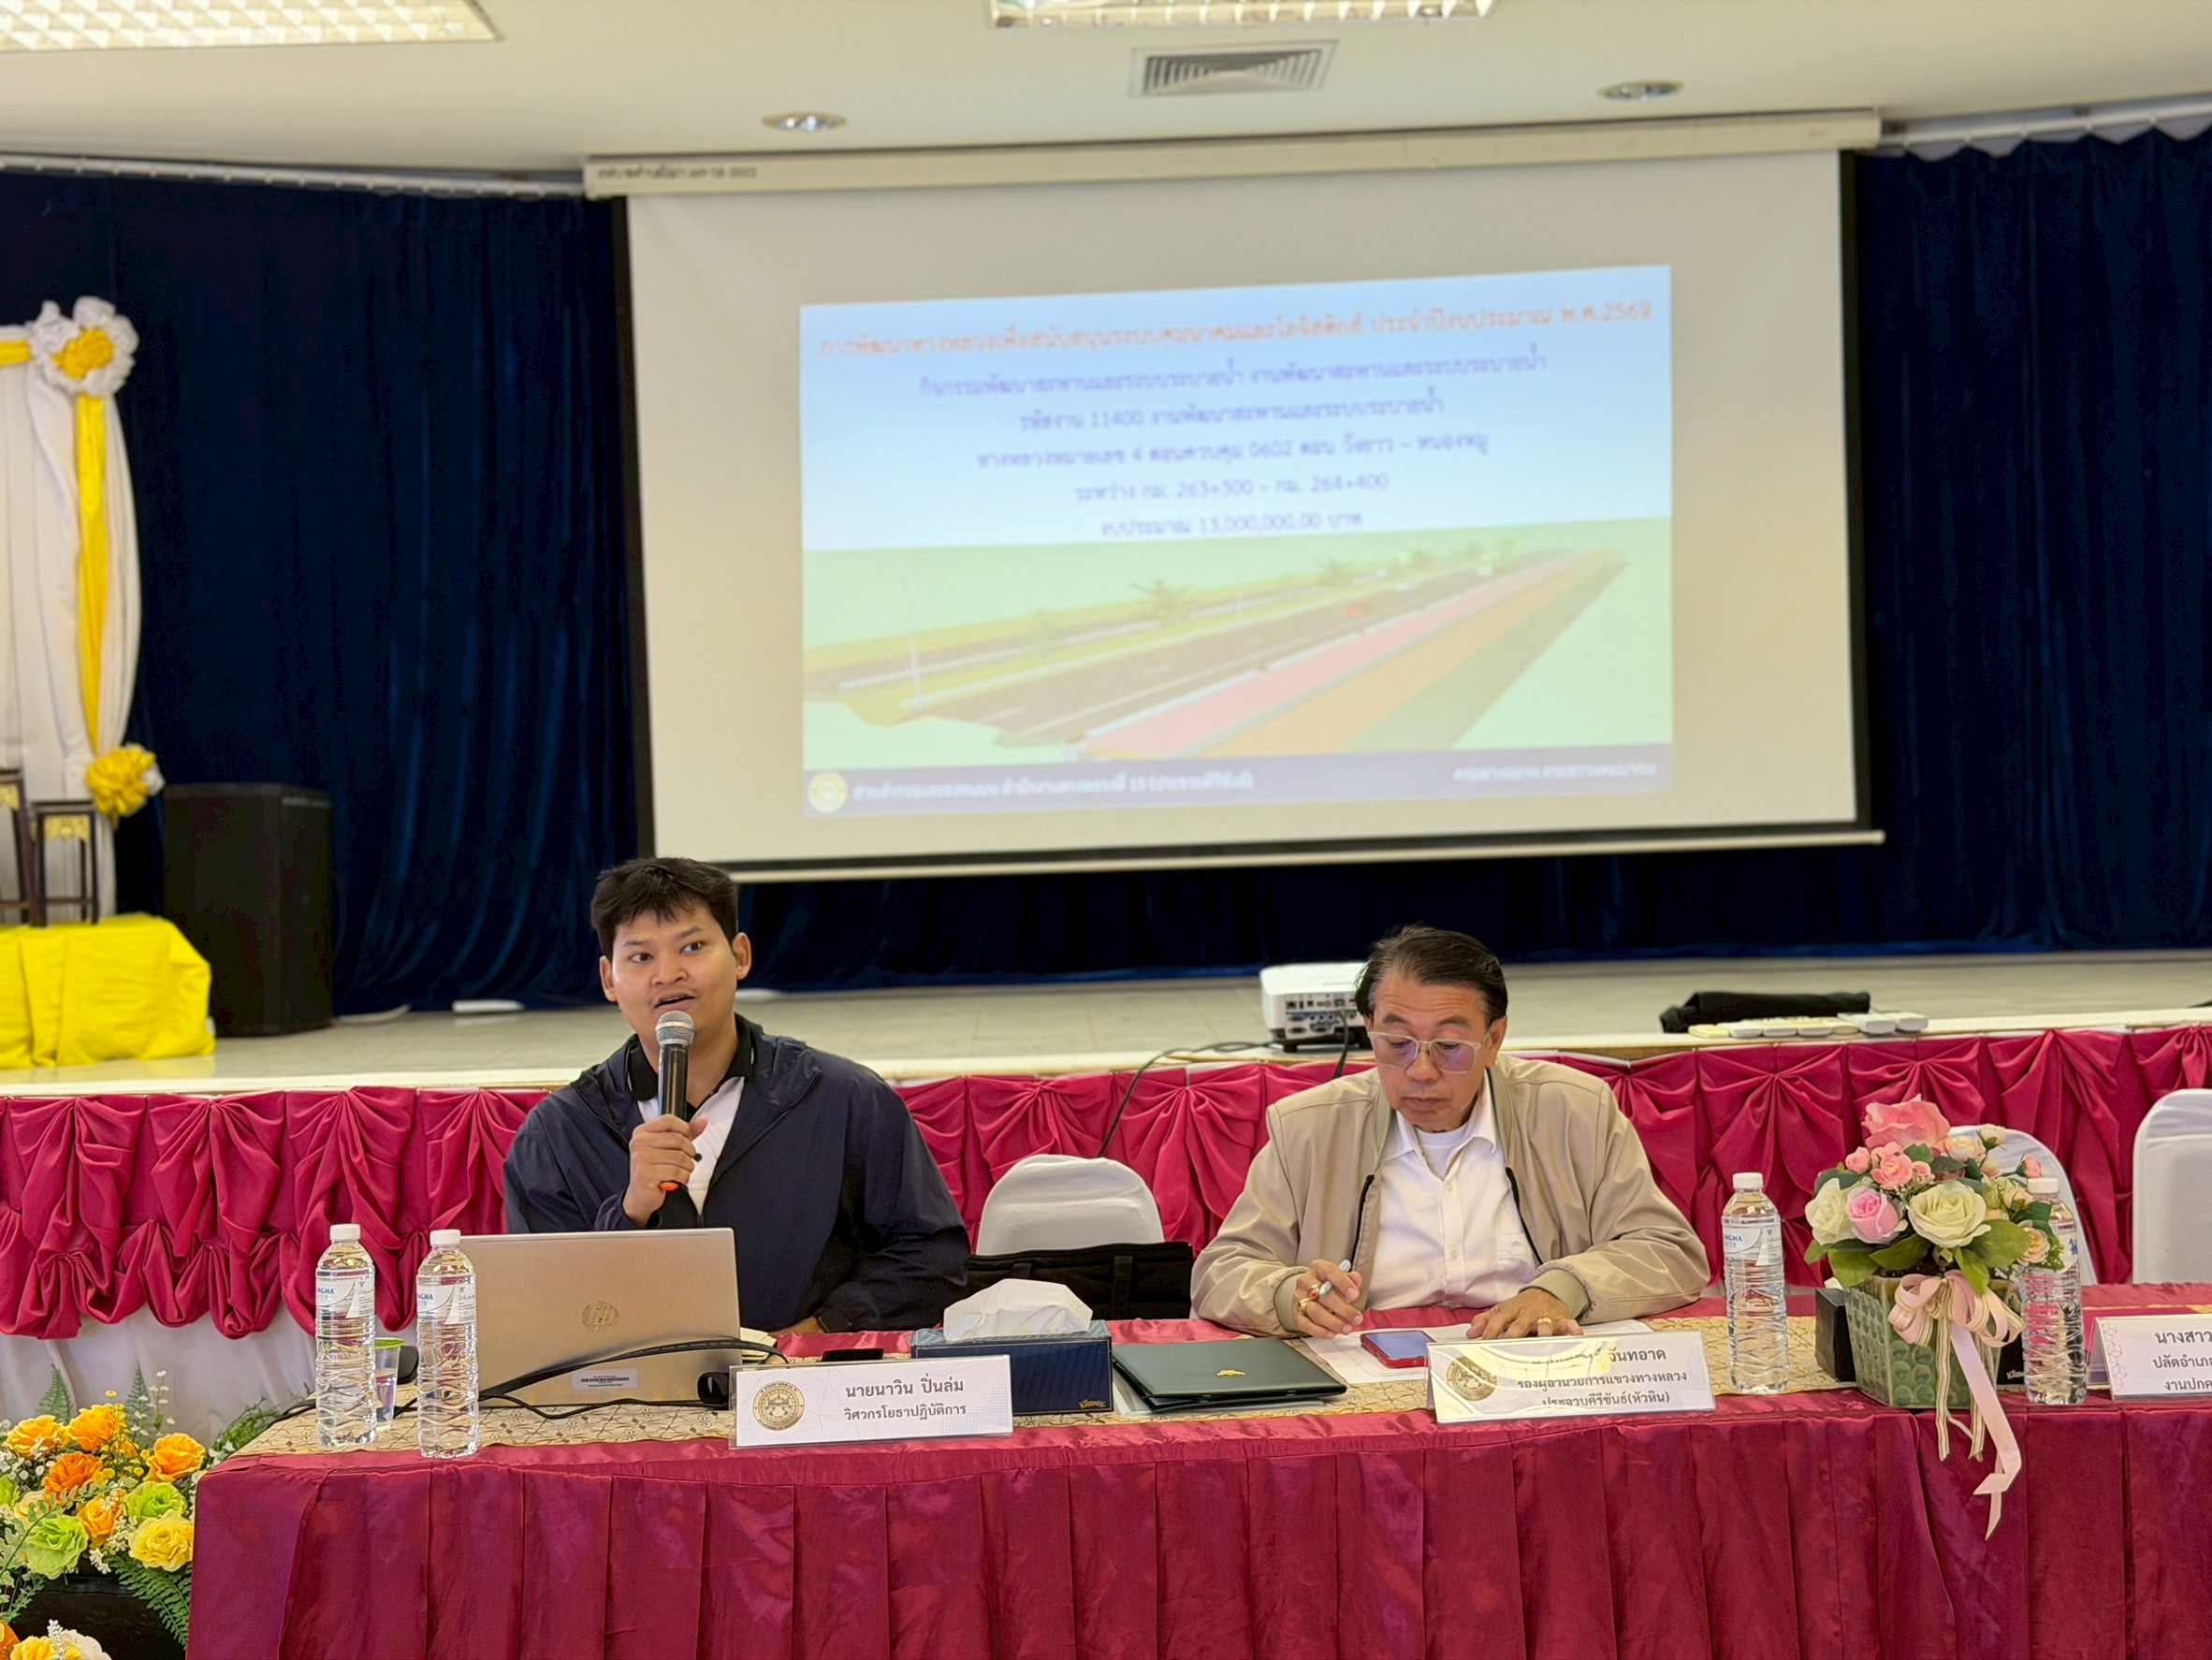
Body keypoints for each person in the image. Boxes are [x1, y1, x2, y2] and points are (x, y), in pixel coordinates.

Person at [502, 857, 968, 1333]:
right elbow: (545, 1305)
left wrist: (813, 1335)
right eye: (641, 957)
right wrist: (631, 1210)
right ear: (608, 979)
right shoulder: (558, 1133)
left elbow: (930, 1256)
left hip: (808, 1374)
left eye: (692, 947)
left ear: (740, 955)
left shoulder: (844, 1098)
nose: (668, 974)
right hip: (634, 1381)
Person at [1192, 925, 1707, 1339]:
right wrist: (1289, 1295)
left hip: (1533, 1362)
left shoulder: (1573, 1111)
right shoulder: (1309, 1126)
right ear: (1368, 1029)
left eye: (1450, 1047)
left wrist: (1562, 1290)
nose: (1420, 1071)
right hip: (1365, 1371)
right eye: (1397, 1043)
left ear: (1494, 1040)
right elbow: (1222, 1271)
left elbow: (1668, 1251)